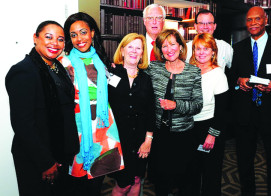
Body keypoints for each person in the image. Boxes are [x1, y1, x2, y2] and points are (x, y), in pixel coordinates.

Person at [5, 21, 79, 196]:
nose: (55, 43)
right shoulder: (23, 71)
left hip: (59, 152)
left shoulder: (57, 67)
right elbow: (23, 124)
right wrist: (45, 162)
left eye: (60, 39)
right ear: (35, 38)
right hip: (38, 158)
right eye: (48, 37)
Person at [228, 6, 271, 196]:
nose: (253, 23)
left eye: (257, 19)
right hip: (244, 114)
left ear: (266, 20)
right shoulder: (238, 49)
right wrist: (238, 82)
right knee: (244, 161)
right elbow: (231, 77)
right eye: (249, 20)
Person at [60, 12, 122, 196]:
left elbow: (115, 85)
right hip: (79, 123)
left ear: (92, 33)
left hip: (104, 123)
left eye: (83, 32)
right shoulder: (64, 62)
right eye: (73, 34)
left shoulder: (101, 59)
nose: (79, 38)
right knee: (77, 181)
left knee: (99, 176)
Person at [147, 29, 203, 196]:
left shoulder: (193, 71)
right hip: (159, 136)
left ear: (180, 46)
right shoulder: (153, 68)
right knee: (161, 182)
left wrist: (176, 105)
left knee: (185, 183)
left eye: (172, 44)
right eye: (164, 45)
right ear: (160, 50)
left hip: (183, 137)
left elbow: (197, 105)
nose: (169, 49)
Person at [108, 33, 155, 196]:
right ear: (122, 51)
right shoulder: (110, 74)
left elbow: (151, 110)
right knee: (122, 185)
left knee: (136, 180)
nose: (134, 51)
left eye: (138, 48)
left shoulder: (146, 79)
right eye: (130, 47)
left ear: (142, 53)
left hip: (140, 141)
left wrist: (148, 140)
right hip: (117, 141)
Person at [189, 33, 229, 196]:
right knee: (191, 173)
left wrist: (211, 135)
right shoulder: (189, 70)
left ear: (213, 52)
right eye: (198, 48)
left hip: (209, 127)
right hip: (189, 127)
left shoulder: (218, 73)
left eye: (206, 48)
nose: (201, 52)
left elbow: (222, 110)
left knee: (210, 174)